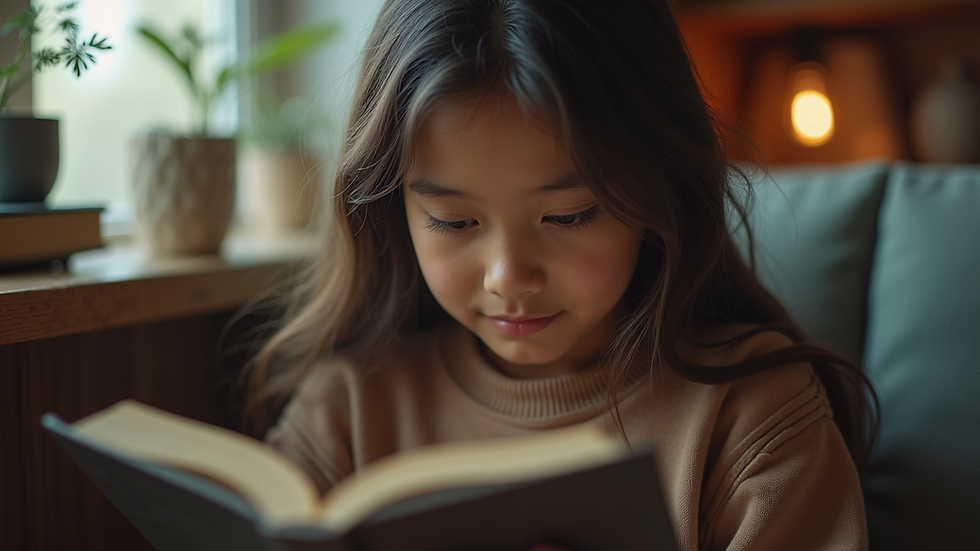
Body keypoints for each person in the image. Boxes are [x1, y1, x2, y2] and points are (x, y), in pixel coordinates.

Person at [246, 1, 877, 549]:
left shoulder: (752, 419)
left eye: (568, 216)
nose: (508, 278)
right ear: (393, 211)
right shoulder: (345, 413)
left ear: (661, 190)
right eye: (453, 221)